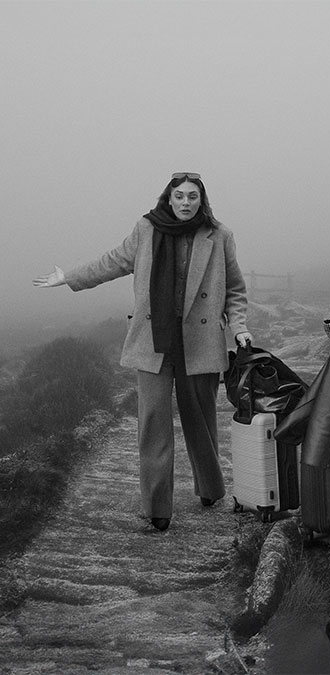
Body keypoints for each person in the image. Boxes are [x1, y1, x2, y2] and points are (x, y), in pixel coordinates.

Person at [32, 173, 251, 532]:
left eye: (192, 196)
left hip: (200, 340)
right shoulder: (146, 229)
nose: (185, 203)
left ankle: (210, 488)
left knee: (200, 419)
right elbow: (113, 261)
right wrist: (69, 277)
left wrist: (239, 327)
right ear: (168, 198)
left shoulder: (219, 235)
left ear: (201, 200)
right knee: (152, 424)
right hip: (154, 339)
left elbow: (236, 289)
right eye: (179, 196)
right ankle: (157, 508)